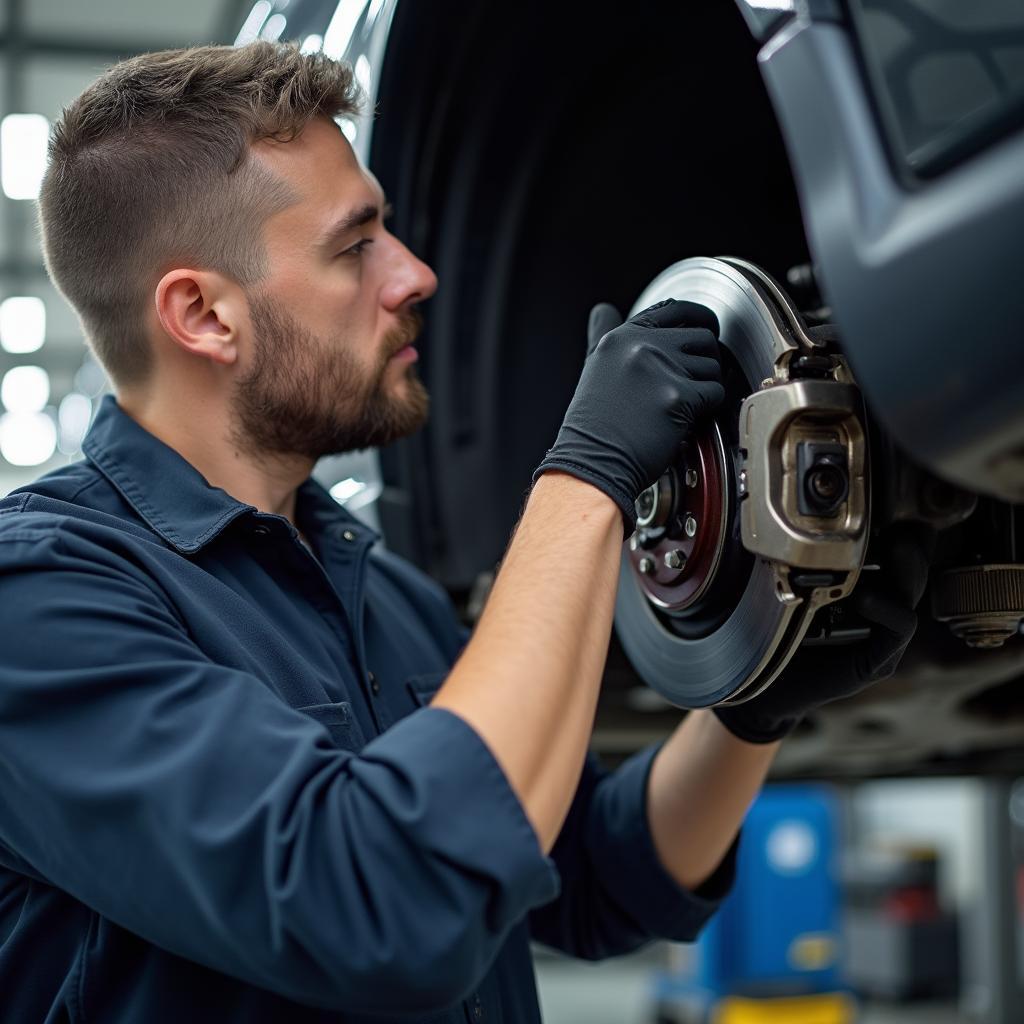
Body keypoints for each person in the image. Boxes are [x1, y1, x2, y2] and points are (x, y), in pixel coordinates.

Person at [0, 43, 927, 1022]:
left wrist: (753, 706)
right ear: (202, 314)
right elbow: (382, 904)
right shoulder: (42, 602)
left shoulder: (378, 590)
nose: (413, 274)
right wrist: (588, 476)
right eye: (354, 246)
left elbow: (591, 875)